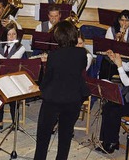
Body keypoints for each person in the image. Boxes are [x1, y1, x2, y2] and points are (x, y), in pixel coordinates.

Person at [33, 20, 89, 160]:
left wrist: (40, 87)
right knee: (65, 134)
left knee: (44, 135)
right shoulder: (82, 53)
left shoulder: (54, 55)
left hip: (53, 99)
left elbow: (48, 78)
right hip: (73, 99)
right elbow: (78, 70)